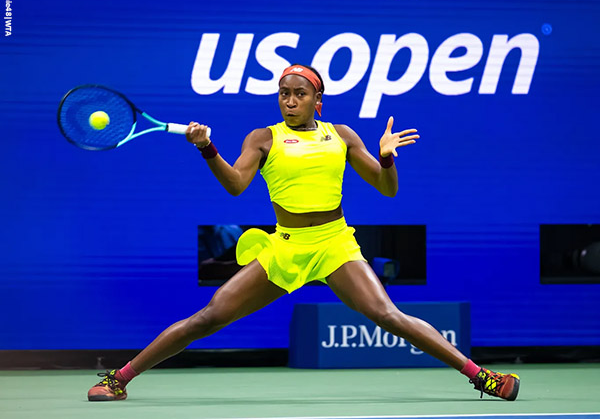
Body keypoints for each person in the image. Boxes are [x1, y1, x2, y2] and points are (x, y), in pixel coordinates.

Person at [87, 64, 520, 402]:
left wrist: (388, 159)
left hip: (334, 243)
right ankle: (121, 377)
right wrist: (207, 149)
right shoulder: (263, 138)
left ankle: (482, 376)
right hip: (286, 246)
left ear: (318, 100)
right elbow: (236, 185)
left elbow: (388, 191)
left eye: (299, 94)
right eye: (284, 94)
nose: (289, 101)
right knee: (209, 318)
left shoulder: (343, 136)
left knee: (390, 317)